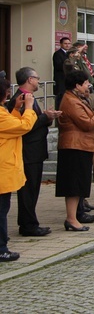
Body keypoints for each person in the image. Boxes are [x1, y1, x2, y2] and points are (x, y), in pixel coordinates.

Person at [8, 67, 61, 237]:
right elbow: (24, 126)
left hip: (34, 150)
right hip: (27, 151)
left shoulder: (29, 98)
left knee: (32, 189)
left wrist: (47, 117)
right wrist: (45, 117)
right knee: (28, 190)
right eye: (37, 78)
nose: (38, 81)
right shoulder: (20, 99)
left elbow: (32, 121)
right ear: (29, 80)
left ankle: (30, 221)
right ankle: (28, 224)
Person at [56, 70, 94, 232]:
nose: (88, 86)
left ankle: (74, 217)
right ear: (77, 85)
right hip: (74, 146)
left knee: (78, 184)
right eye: (86, 83)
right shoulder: (71, 101)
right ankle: (71, 219)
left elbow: (89, 121)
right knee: (74, 184)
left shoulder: (77, 99)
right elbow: (87, 124)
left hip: (81, 145)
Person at [0, 77, 37, 261]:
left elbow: (12, 126)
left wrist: (15, 108)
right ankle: (1, 248)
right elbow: (23, 126)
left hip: (5, 168)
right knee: (1, 210)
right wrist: (29, 108)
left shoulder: (3, 113)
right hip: (2, 169)